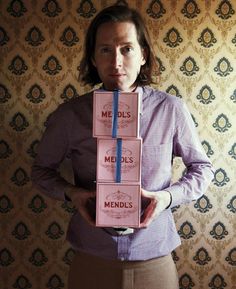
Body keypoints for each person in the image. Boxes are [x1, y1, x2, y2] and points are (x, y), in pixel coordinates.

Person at [31, 5, 214, 289]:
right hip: (91, 261)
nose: (116, 62)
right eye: (105, 50)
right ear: (93, 57)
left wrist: (165, 198)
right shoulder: (70, 115)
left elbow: (202, 169)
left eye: (126, 49)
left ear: (143, 55)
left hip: (153, 260)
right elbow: (41, 170)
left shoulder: (170, 110)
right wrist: (72, 194)